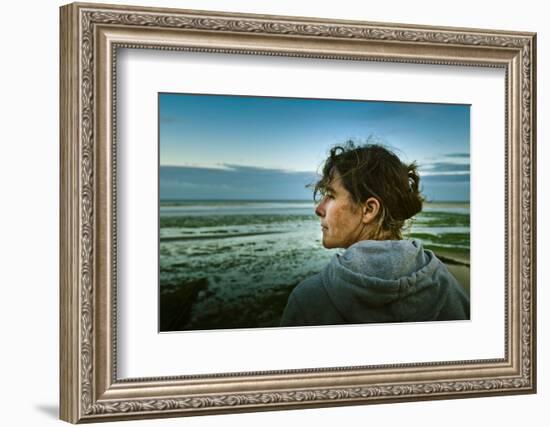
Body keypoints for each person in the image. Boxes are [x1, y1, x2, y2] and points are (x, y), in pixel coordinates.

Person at [280, 141, 470, 327]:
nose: (319, 209)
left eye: (330, 196)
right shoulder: (448, 288)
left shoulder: (309, 300)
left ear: (369, 209)